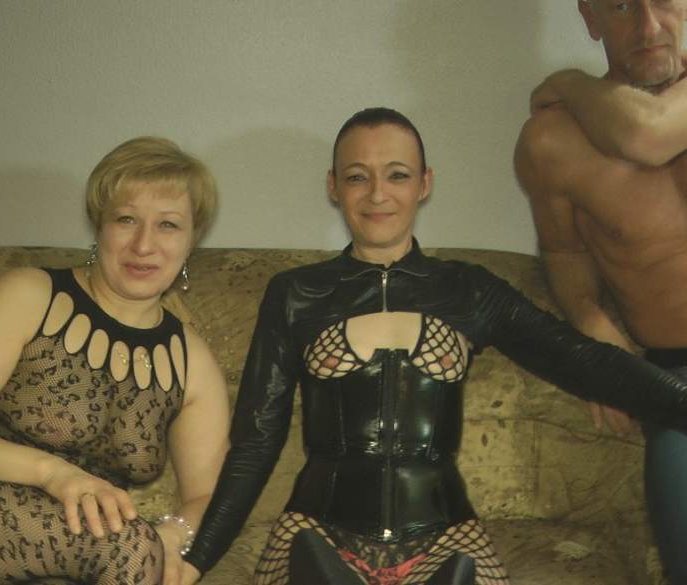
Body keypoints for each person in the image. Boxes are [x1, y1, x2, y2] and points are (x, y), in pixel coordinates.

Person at [181, 107, 687, 585]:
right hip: (318, 531)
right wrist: (195, 560)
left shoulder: (468, 289)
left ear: (424, 184)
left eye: (397, 175)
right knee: (309, 560)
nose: (378, 194)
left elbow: (581, 359)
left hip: (446, 537)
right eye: (357, 176)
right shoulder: (296, 294)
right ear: (333, 186)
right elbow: (256, 441)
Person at [0, 137, 230, 585]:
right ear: (99, 226)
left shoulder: (192, 362)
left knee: (137, 546)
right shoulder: (29, 296)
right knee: (128, 547)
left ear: (192, 240)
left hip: (64, 539)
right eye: (126, 219)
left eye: (168, 225)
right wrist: (54, 474)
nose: (143, 244)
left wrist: (175, 535)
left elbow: (211, 495)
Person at [514, 0, 687, 579]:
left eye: (663, 0)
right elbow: (564, 253)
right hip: (677, 382)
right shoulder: (552, 141)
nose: (648, 26)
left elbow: (647, 133)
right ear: (590, 18)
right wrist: (588, 316)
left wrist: (567, 81)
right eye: (621, 5)